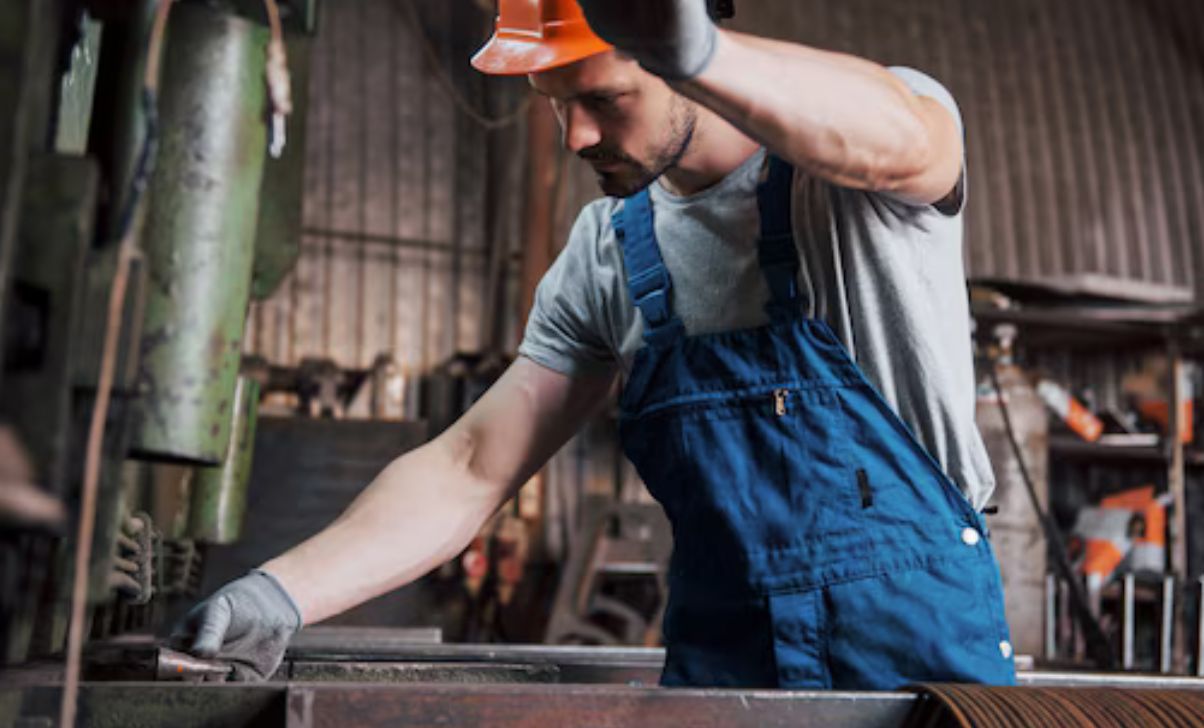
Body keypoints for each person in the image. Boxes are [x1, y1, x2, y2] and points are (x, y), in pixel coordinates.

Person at [175, 0, 1015, 689]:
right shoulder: (608, 251)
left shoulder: (850, 181)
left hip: (916, 670)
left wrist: (705, 52)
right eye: (553, 102)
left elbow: (907, 140)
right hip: (725, 683)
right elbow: (471, 465)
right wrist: (282, 591)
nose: (574, 136)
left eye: (604, 100)